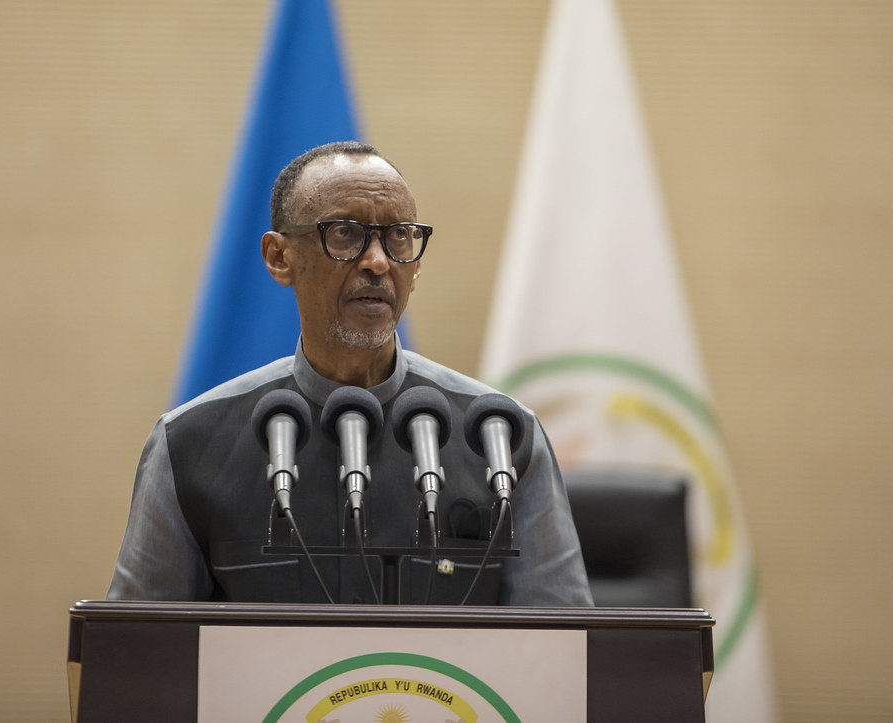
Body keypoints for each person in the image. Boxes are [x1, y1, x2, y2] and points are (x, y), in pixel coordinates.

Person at [108, 141, 592, 606]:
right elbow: (138, 646)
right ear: (279, 257)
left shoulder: (500, 437)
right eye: (344, 233)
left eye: (398, 236)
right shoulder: (191, 444)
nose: (378, 262)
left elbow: (565, 644)